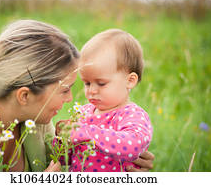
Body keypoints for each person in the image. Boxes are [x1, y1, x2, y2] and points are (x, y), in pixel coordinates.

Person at [0, 20, 153, 172]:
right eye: (65, 90)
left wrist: (125, 158)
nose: (72, 99)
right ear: (24, 96)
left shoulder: (33, 117)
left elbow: (67, 156)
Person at [57, 29, 153, 172]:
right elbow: (66, 159)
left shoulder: (132, 114)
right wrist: (62, 141)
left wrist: (85, 133)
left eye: (101, 83)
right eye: (87, 83)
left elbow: (133, 146)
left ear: (130, 80)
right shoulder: (83, 113)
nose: (91, 91)